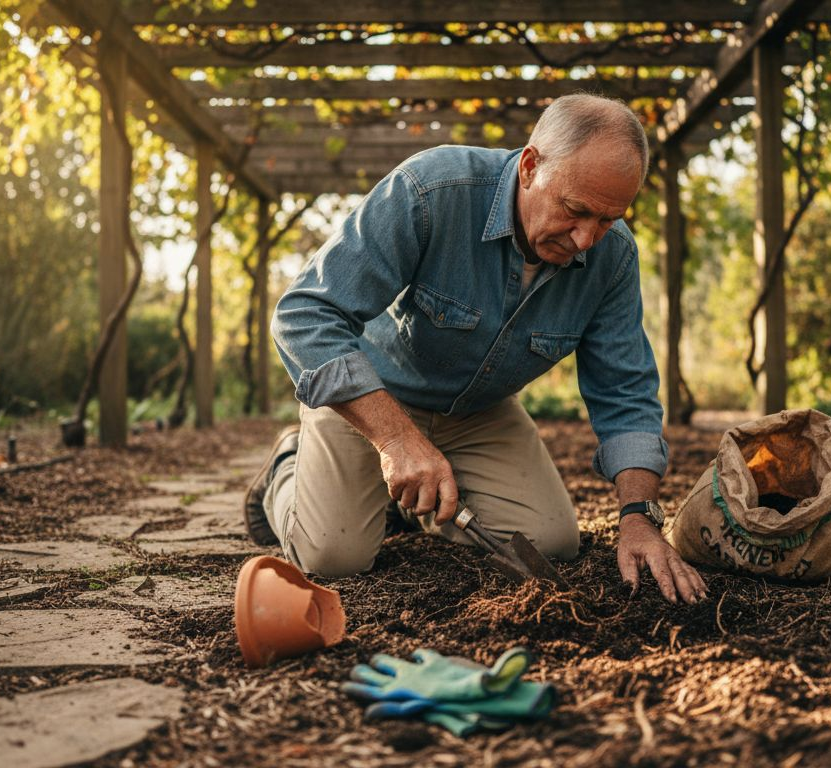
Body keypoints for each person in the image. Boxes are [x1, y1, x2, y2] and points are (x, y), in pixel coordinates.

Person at [244, 93, 707, 605]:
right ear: (530, 166)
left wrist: (639, 519)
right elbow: (303, 315)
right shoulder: (432, 189)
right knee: (335, 556)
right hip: (373, 402)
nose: (585, 239)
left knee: (552, 542)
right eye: (575, 211)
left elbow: (626, 392)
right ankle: (287, 469)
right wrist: (397, 441)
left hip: (478, 411)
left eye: (607, 219)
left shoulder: (613, 258)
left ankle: (404, 501)